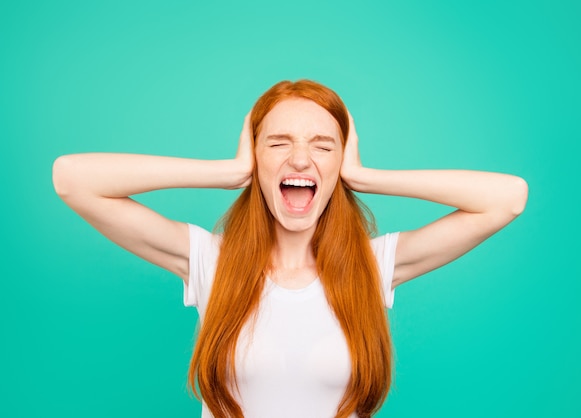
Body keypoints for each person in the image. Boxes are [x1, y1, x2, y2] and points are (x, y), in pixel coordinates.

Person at [52, 79, 528, 418]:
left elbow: (506, 199)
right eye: (278, 143)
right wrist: (225, 172)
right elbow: (72, 180)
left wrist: (368, 178)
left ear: (341, 163)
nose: (300, 158)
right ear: (254, 157)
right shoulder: (208, 261)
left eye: (323, 146)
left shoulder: (374, 265)